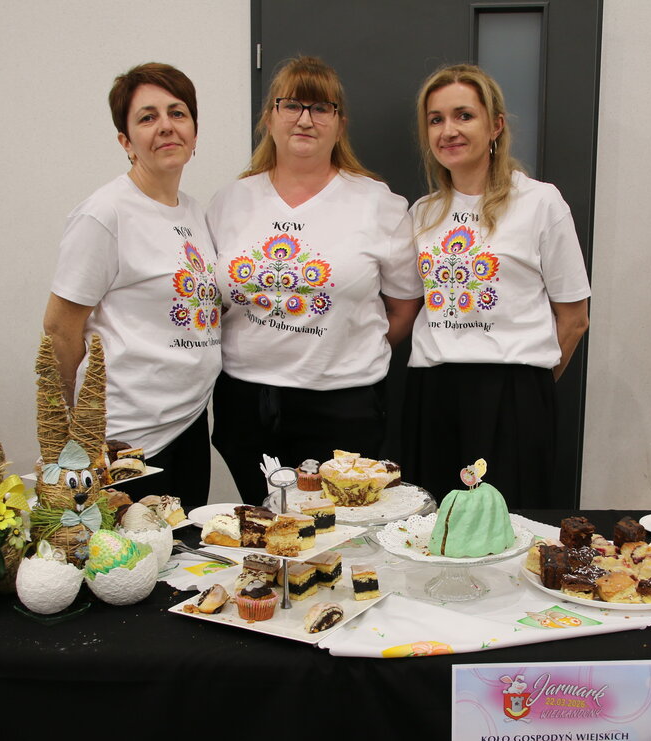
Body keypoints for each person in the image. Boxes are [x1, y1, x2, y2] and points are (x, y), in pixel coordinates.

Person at [207, 56, 423, 503]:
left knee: (335, 526)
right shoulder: (230, 201)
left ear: (340, 124)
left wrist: (341, 348)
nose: (305, 119)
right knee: (263, 523)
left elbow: (404, 307)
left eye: (321, 107)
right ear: (269, 118)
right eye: (291, 105)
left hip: (343, 406)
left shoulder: (378, 204)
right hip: (246, 402)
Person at [402, 65, 590, 507]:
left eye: (464, 115)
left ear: (496, 126)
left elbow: (574, 319)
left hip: (513, 397)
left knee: (510, 528)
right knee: (433, 527)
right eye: (436, 119)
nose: (448, 130)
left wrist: (526, 386)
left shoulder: (540, 202)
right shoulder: (422, 212)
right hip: (433, 395)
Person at [44, 62, 221, 506]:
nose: (166, 126)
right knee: (128, 552)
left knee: (184, 549)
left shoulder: (194, 212)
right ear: (126, 142)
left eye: (177, 113)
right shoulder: (105, 214)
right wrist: (76, 428)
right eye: (147, 117)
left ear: (194, 133)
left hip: (187, 425)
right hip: (126, 441)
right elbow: (60, 328)